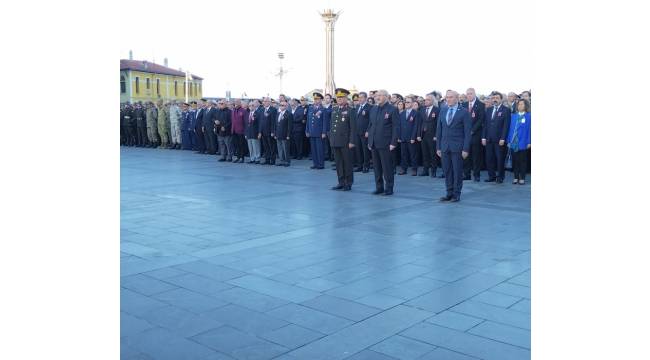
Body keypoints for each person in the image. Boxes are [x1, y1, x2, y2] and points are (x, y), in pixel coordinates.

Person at [437, 90, 472, 202]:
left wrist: (466, 149)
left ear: (457, 98)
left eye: (451, 97)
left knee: (457, 171)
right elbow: (439, 130)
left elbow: (467, 132)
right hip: (444, 146)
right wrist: (438, 147)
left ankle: (456, 194)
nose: (448, 99)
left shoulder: (464, 112)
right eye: (447, 97)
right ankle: (449, 193)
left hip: (458, 147)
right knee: (447, 171)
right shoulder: (443, 110)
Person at [367, 89, 399, 196]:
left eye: (380, 95)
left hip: (386, 143)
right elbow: (371, 125)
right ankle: (379, 187)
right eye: (376, 95)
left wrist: (393, 143)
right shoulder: (374, 109)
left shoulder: (392, 109)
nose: (377, 97)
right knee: (377, 168)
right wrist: (369, 140)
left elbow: (396, 127)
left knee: (387, 167)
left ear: (386, 96)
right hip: (374, 143)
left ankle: (389, 188)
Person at [329, 88, 357, 191]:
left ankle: (348, 183)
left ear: (346, 98)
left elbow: (353, 128)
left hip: (346, 142)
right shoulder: (335, 109)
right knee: (339, 163)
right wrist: (331, 139)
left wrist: (352, 141)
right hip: (336, 141)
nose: (339, 99)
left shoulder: (350, 110)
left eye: (341, 97)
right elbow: (332, 126)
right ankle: (341, 182)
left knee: (347, 163)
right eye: (338, 97)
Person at [482, 91, 511, 183]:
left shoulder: (506, 110)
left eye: (497, 98)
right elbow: (485, 124)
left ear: (501, 99)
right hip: (489, 139)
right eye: (493, 98)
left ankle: (500, 177)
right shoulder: (489, 109)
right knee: (489, 158)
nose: (495, 100)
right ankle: (491, 176)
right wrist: (483, 137)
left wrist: (503, 138)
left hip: (499, 140)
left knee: (500, 159)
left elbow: (506, 125)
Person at [462, 88, 486, 181]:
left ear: (475, 94)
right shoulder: (463, 105)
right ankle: (466, 174)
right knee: (465, 155)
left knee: (476, 156)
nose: (469, 95)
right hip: (464, 135)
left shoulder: (481, 105)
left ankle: (476, 175)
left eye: (471, 94)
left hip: (475, 134)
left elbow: (480, 120)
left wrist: (472, 130)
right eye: (467, 94)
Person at [507, 99, 531, 184]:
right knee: (515, 160)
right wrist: (509, 140)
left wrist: (529, 142)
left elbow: (530, 130)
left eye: (522, 104)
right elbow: (510, 129)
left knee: (523, 161)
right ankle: (516, 177)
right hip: (514, 141)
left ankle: (522, 178)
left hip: (523, 141)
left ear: (526, 106)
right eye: (519, 104)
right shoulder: (513, 116)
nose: (520, 106)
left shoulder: (529, 116)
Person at [417, 93, 440, 177]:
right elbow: (419, 123)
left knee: (433, 154)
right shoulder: (422, 110)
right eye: (425, 100)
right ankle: (425, 170)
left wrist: (436, 135)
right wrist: (418, 134)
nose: (426, 101)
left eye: (428, 100)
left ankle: (433, 171)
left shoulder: (437, 110)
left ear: (433, 101)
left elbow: (438, 124)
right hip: (423, 135)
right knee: (425, 154)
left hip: (432, 135)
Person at [398, 96, 420, 176]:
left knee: (413, 154)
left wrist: (413, 137)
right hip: (403, 137)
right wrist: (399, 137)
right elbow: (399, 126)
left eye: (408, 102)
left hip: (411, 138)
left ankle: (414, 169)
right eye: (405, 102)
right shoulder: (402, 113)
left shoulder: (416, 113)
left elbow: (416, 126)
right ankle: (404, 169)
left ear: (412, 103)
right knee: (403, 154)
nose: (406, 104)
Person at [306, 92, 327, 169]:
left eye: (317, 99)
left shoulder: (323, 109)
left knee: (319, 149)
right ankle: (315, 164)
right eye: (314, 99)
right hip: (311, 132)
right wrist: (307, 130)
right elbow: (308, 120)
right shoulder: (311, 108)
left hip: (319, 132)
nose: (315, 100)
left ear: (321, 100)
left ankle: (321, 164)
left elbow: (325, 122)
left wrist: (324, 132)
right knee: (313, 149)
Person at [353, 92, 372, 173]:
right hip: (357, 132)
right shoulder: (357, 106)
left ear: (365, 98)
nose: (359, 99)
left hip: (365, 133)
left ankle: (366, 166)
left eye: (361, 97)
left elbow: (371, 121)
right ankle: (359, 165)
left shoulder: (370, 107)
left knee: (365, 150)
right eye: (359, 97)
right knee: (358, 150)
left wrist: (368, 131)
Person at [258, 97, 277, 165]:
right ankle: (267, 159)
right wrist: (259, 132)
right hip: (263, 132)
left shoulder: (273, 110)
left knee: (272, 146)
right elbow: (260, 122)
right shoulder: (262, 110)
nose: (264, 102)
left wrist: (273, 131)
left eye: (266, 101)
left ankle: (273, 159)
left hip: (270, 132)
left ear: (269, 102)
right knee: (266, 147)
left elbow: (273, 122)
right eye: (264, 101)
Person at [275, 100, 293, 166]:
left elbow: (289, 126)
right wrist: (275, 133)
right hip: (278, 134)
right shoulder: (278, 114)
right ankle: (281, 160)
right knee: (280, 148)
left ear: (286, 106)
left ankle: (287, 161)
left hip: (285, 134)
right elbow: (276, 125)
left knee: (286, 148)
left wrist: (288, 135)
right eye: (280, 105)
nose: (281, 107)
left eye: (283, 105)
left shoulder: (289, 114)